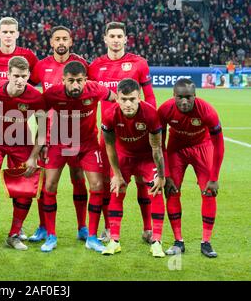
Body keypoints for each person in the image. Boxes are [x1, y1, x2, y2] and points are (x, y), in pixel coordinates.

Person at [88, 21, 156, 244]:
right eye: (112, 36)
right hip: (108, 135)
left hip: (137, 133)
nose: (116, 40)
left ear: (126, 39)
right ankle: (109, 229)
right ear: (105, 39)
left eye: (120, 36)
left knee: (142, 181)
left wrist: (153, 126)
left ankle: (148, 229)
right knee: (111, 183)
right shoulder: (95, 67)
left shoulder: (139, 63)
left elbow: (150, 97)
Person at [41, 61, 116, 253]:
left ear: (86, 80)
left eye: (80, 81)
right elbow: (40, 113)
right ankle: (51, 235)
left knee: (97, 185)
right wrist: (42, 140)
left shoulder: (95, 89)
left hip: (87, 144)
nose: (76, 85)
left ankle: (90, 234)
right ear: (63, 80)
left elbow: (116, 99)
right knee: (49, 186)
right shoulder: (52, 94)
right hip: (59, 143)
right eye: (71, 81)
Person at [0, 17, 39, 240]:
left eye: (24, 76)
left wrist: (35, 154)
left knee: (24, 185)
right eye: (16, 76)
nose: (20, 80)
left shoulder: (35, 96)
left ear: (29, 76)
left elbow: (44, 124)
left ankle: (16, 231)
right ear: (8, 74)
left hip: (21, 141)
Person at [28, 26, 90, 243]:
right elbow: (28, 93)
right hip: (50, 135)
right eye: (57, 39)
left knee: (78, 179)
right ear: (51, 42)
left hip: (77, 134)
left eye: (65, 38)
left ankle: (83, 227)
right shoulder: (41, 66)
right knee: (45, 183)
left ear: (71, 41)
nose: (61, 42)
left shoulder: (82, 65)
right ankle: (43, 227)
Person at [158, 78, 224, 258]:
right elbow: (159, 144)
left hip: (202, 148)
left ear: (195, 96)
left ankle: (206, 242)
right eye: (180, 97)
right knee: (171, 191)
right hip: (175, 150)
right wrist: (167, 175)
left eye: (188, 97)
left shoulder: (207, 111)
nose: (184, 101)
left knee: (209, 192)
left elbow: (219, 145)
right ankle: (178, 241)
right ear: (174, 96)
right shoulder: (164, 110)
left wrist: (214, 177)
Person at [101, 78, 166, 257]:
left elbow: (156, 148)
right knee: (117, 189)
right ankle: (114, 240)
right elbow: (109, 146)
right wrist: (116, 173)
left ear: (139, 98)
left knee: (155, 190)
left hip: (146, 158)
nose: (128, 104)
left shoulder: (151, 114)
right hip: (124, 156)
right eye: (123, 99)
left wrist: (161, 175)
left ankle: (157, 241)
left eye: (132, 99)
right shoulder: (110, 114)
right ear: (117, 99)